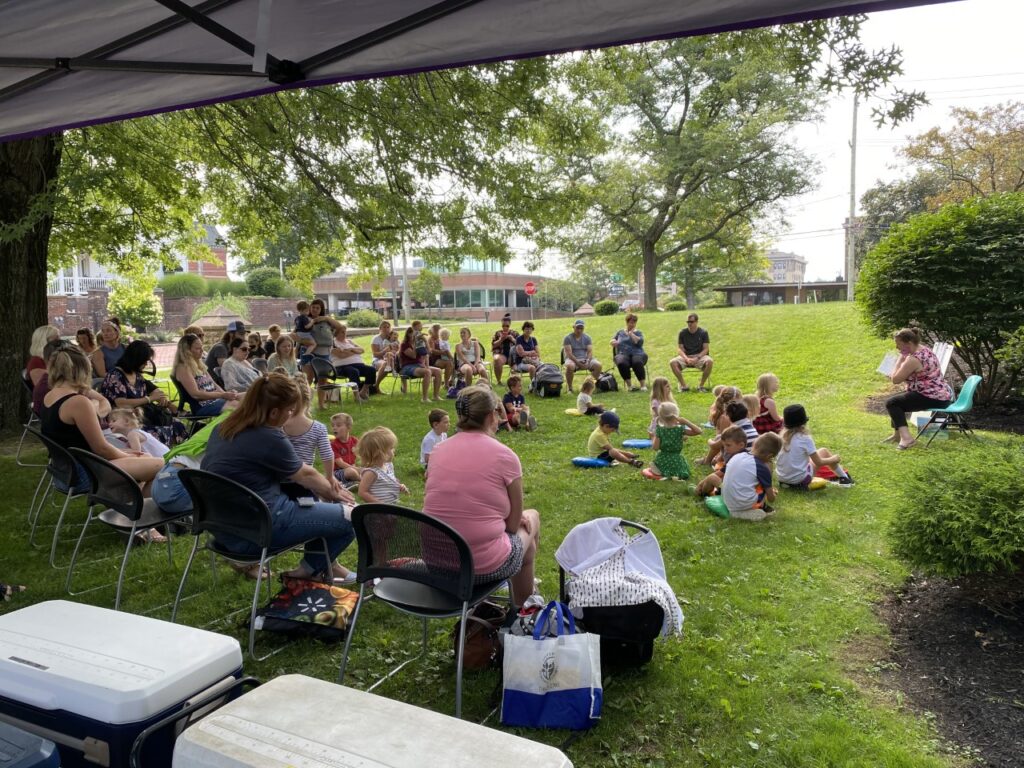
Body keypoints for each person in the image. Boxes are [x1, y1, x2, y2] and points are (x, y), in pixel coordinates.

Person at [200, 374, 356, 581]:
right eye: (290, 410)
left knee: (316, 504)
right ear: (274, 412)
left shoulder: (223, 428)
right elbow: (306, 474)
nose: (291, 415)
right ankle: (307, 572)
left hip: (224, 530)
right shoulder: (268, 436)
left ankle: (325, 566)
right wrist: (339, 495)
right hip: (259, 531)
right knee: (351, 517)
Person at [422, 385, 541, 605]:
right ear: (490, 416)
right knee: (531, 519)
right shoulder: (505, 456)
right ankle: (525, 609)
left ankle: (526, 596)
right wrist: (511, 518)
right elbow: (513, 526)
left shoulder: (438, 451)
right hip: (481, 566)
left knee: (524, 539)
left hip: (437, 563)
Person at [41, 345, 164, 495]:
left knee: (146, 457)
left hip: (67, 471)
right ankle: (140, 512)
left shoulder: (50, 396)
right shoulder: (78, 402)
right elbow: (101, 448)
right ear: (83, 370)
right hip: (85, 474)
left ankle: (134, 507)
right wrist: (127, 455)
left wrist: (127, 454)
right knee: (161, 465)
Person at [100, 339, 185, 446]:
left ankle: (171, 454)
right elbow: (121, 403)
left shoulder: (137, 375)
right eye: (144, 361)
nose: (146, 364)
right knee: (159, 432)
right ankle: (162, 455)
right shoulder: (115, 376)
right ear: (136, 360)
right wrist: (149, 399)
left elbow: (154, 389)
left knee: (178, 425)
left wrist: (162, 398)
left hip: (141, 418)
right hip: (124, 422)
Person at [884, 327, 954, 450]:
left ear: (909, 343)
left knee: (892, 403)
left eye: (898, 344)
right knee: (896, 400)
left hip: (931, 397)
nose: (897, 348)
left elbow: (895, 379)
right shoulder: (926, 350)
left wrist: (900, 359)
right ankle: (897, 435)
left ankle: (907, 439)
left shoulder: (913, 359)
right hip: (940, 395)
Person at [282, 378, 338, 491]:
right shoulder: (318, 428)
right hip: (306, 481)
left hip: (278, 481)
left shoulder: (278, 424)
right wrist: (330, 477)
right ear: (308, 399)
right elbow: (327, 455)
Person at [777, 404, 852, 487]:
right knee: (823, 451)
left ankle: (789, 482)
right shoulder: (804, 438)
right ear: (803, 422)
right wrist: (833, 459)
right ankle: (845, 479)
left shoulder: (780, 437)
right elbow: (819, 462)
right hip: (800, 481)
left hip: (782, 479)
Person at [173, 333, 240, 417]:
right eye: (198, 348)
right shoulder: (182, 368)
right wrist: (222, 395)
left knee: (248, 397)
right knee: (238, 405)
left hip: (216, 400)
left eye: (202, 347)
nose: (202, 351)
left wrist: (227, 395)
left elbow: (215, 385)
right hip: (203, 406)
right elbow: (196, 394)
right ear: (187, 351)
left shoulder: (199, 365)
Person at [720, 432, 782, 521]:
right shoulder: (761, 467)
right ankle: (746, 512)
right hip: (741, 504)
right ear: (770, 456)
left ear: (754, 444)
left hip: (727, 499)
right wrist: (772, 494)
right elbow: (771, 499)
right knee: (763, 488)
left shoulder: (738, 455)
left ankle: (739, 508)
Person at [304, 299, 343, 407]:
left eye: (318, 308)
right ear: (310, 307)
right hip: (310, 351)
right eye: (313, 307)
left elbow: (340, 327)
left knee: (323, 379)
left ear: (321, 309)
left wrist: (326, 318)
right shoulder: (305, 319)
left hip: (325, 352)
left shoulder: (326, 321)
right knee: (308, 379)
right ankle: (305, 405)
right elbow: (297, 334)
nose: (315, 310)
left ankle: (321, 404)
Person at [648, 402, 701, 480]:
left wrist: (653, 437)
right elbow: (698, 431)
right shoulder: (680, 429)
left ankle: (658, 470)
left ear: (661, 416)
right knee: (679, 471)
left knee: (655, 465)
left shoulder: (659, 430)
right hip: (677, 461)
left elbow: (655, 448)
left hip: (662, 460)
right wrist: (686, 421)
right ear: (676, 415)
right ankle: (673, 473)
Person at [355, 427, 408, 504]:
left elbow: (388, 482)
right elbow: (362, 492)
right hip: (378, 512)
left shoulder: (389, 466)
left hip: (390, 507)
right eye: (391, 448)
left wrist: (399, 486)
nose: (394, 450)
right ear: (380, 453)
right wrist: (379, 505)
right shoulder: (371, 472)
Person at [693, 425, 747, 498]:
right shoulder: (748, 456)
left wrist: (700, 484)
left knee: (712, 478)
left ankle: (700, 492)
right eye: (724, 445)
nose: (725, 448)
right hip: (746, 492)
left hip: (735, 495)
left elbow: (719, 474)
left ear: (741, 445)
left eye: (728, 445)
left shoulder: (735, 459)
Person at [669, 313, 713, 392]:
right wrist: (686, 358)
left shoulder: (703, 332)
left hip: (700, 356)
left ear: (696, 322)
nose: (689, 324)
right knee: (672, 362)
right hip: (686, 356)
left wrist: (697, 358)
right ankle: (684, 386)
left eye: (691, 322)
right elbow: (680, 349)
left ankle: (701, 386)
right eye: (688, 322)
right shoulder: (682, 333)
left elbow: (706, 349)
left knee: (709, 361)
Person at [331, 324, 375, 402]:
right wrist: (355, 351)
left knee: (371, 370)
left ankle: (363, 392)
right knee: (353, 371)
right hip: (341, 367)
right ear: (336, 333)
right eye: (342, 332)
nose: (344, 334)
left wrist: (349, 350)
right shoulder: (333, 343)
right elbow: (341, 355)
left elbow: (362, 350)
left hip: (358, 364)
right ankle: (356, 396)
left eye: (345, 332)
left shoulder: (349, 341)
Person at [399, 326, 443, 402]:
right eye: (414, 333)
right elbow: (413, 355)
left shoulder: (419, 343)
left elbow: (429, 352)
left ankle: (436, 396)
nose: (416, 335)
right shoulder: (404, 345)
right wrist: (416, 342)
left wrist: (425, 341)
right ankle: (424, 398)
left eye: (417, 333)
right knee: (427, 372)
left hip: (419, 366)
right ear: (409, 334)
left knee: (438, 371)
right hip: (407, 367)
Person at [562, 319, 602, 393]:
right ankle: (570, 388)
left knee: (598, 365)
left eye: (581, 328)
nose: (579, 330)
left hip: (585, 359)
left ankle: (589, 386)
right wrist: (578, 363)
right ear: (573, 327)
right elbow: (569, 354)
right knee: (570, 366)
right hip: (572, 359)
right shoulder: (567, 338)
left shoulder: (587, 338)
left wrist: (588, 361)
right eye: (578, 328)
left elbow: (590, 351)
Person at [611, 313, 647, 391]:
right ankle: (630, 386)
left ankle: (643, 386)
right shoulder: (620, 332)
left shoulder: (638, 332)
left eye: (634, 322)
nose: (632, 324)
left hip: (638, 353)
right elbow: (613, 340)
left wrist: (631, 334)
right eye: (631, 322)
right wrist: (613, 342)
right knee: (621, 363)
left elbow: (640, 342)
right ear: (627, 322)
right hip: (623, 353)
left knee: (637, 362)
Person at [329, 412, 360, 483]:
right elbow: (340, 463)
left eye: (338, 425)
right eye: (333, 425)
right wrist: (357, 469)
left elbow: (363, 454)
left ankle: (358, 479)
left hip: (352, 467)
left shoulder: (354, 441)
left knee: (367, 469)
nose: (334, 428)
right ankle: (362, 482)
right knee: (351, 472)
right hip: (337, 471)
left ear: (348, 427)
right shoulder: (333, 444)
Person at [491, 314, 520, 384]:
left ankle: (514, 383)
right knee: (497, 360)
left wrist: (512, 339)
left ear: (510, 325)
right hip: (501, 354)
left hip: (512, 355)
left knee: (515, 366)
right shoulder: (498, 333)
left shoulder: (515, 333)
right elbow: (493, 345)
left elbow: (520, 345)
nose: (505, 328)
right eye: (503, 326)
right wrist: (501, 340)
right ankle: (499, 381)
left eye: (507, 326)